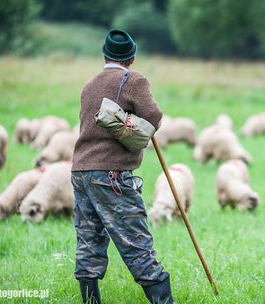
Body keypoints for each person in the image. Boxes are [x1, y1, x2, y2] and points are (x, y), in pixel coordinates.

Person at [71, 29, 172, 304]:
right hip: (111, 174)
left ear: (104, 54)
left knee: (89, 239)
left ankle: (90, 301)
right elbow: (153, 116)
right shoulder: (134, 79)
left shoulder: (90, 84)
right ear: (132, 57)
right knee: (135, 241)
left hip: (80, 171)